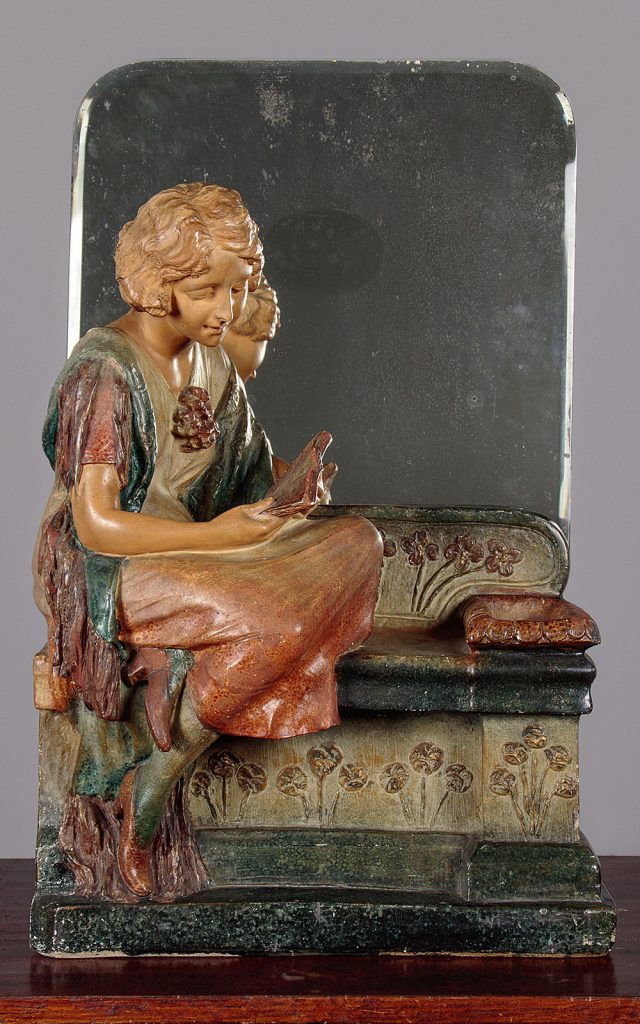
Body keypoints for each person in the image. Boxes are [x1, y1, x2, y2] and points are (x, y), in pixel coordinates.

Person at [35, 182, 382, 899]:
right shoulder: (105, 372)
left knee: (358, 544)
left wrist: (292, 489)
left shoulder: (211, 360)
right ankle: (154, 779)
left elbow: (247, 470)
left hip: (200, 551)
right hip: (115, 567)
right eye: (208, 291)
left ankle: (162, 755)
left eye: (240, 287)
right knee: (274, 616)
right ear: (158, 284)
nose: (228, 308)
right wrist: (222, 536)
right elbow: (95, 524)